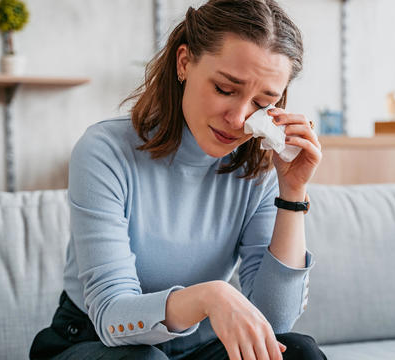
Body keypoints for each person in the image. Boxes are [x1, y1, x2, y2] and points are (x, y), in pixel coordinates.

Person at [30, 0, 325, 359]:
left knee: (297, 352)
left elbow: (274, 323)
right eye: (224, 89)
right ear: (184, 62)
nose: (238, 119)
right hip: (97, 343)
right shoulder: (105, 151)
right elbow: (111, 316)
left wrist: (292, 192)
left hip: (197, 347)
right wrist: (210, 296)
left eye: (261, 102)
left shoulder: (258, 172)